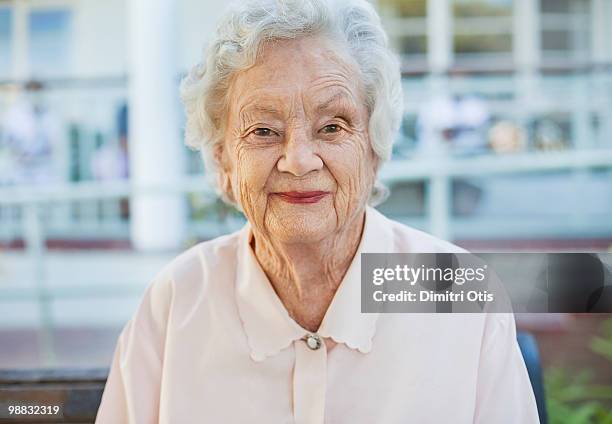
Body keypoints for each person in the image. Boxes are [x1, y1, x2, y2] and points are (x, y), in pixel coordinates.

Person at [96, 0, 539, 422]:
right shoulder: (176, 301)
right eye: (264, 131)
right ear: (222, 162)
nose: (300, 159)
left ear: (375, 148)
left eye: (332, 126)